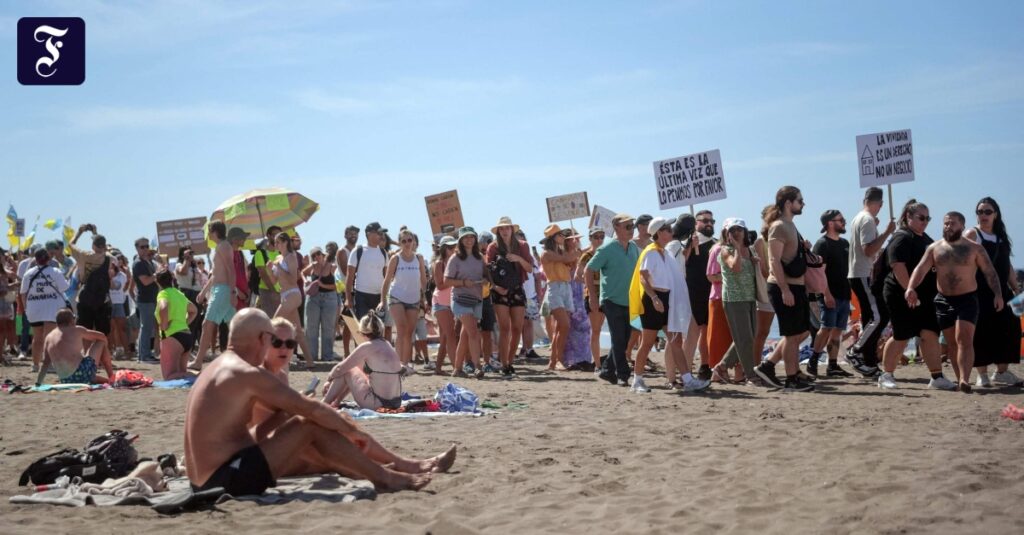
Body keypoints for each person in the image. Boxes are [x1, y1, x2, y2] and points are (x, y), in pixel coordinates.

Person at [184, 308, 451, 496]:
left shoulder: (217, 366)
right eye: (273, 341)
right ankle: (387, 477)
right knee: (309, 424)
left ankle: (386, 470)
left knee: (313, 421)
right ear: (263, 339)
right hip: (223, 478)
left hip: (207, 477)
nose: (280, 349)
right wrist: (351, 431)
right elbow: (308, 409)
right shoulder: (246, 372)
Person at [903, 211, 1004, 392]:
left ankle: (965, 379)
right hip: (943, 300)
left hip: (967, 299)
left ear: (962, 226)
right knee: (951, 343)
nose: (948, 227)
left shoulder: (974, 248)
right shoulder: (934, 248)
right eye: (946, 223)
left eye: (952, 224)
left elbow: (990, 272)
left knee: (964, 338)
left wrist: (998, 294)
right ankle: (960, 380)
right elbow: (921, 269)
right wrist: (911, 287)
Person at [876, 200, 957, 391]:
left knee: (930, 334)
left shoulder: (925, 239)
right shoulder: (902, 237)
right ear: (908, 217)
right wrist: (908, 291)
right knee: (901, 334)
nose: (925, 221)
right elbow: (898, 266)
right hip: (900, 293)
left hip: (926, 295)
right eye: (921, 217)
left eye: (928, 218)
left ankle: (936, 376)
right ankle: (886, 375)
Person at [628, 217, 708, 393]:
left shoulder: (665, 252)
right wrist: (654, 298)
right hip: (653, 300)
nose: (672, 232)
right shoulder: (651, 252)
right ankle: (637, 380)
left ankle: (687, 379)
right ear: (660, 233)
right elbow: (643, 277)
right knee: (648, 342)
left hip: (666, 299)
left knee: (675, 341)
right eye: (668, 229)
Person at [754, 186, 815, 392]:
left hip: (796, 285)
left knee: (802, 331)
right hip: (784, 286)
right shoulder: (779, 226)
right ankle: (791, 378)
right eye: (800, 200)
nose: (802, 203)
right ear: (789, 202)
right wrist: (784, 289)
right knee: (791, 335)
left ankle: (769, 365)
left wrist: (803, 248)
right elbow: (774, 260)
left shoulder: (790, 225)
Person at [963, 197, 1023, 386]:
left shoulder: (1001, 237)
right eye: (980, 212)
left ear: (995, 214)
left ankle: (1002, 371)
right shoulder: (973, 234)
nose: (983, 216)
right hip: (980, 291)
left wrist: (1016, 288)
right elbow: (961, 259)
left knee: (1010, 329)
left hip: (1003, 292)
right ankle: (982, 375)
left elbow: (1007, 266)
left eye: (987, 212)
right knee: (981, 331)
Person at [845, 187, 897, 376]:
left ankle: (868, 361)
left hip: (857, 273)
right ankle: (856, 350)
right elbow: (869, 250)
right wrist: (886, 232)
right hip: (861, 274)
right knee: (880, 316)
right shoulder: (866, 220)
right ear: (881, 204)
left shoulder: (860, 218)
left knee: (869, 317)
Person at [588, 214, 640, 386]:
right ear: (616, 228)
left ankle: (607, 370)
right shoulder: (607, 248)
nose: (631, 229)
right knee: (618, 338)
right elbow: (588, 270)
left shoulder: (633, 248)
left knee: (624, 339)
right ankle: (623, 375)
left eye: (632, 226)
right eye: (627, 226)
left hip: (629, 300)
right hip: (611, 300)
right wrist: (593, 297)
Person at [711, 219, 763, 385]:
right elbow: (736, 267)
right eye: (732, 229)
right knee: (745, 338)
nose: (736, 232)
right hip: (734, 299)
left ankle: (722, 367)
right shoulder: (725, 250)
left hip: (749, 297)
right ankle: (750, 375)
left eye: (739, 229)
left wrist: (754, 261)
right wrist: (737, 249)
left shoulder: (750, 249)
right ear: (726, 233)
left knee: (750, 336)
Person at [807, 210, 855, 378]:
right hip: (828, 294)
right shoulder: (822, 244)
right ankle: (813, 360)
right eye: (840, 220)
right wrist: (826, 295)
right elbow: (819, 273)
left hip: (844, 293)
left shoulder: (844, 243)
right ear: (830, 223)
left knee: (838, 331)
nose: (844, 222)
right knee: (826, 328)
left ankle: (832, 365)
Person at [322, 313, 405, 409]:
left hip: (377, 403)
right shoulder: (387, 344)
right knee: (354, 370)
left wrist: (329, 380)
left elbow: (340, 368)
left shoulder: (367, 346)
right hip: (395, 403)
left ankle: (324, 404)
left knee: (348, 370)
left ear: (362, 331)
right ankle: (336, 402)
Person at [191, 224, 244, 371]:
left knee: (207, 325)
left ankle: (198, 361)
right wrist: (204, 291)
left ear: (214, 232)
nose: (208, 234)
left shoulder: (223, 246)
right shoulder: (220, 247)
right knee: (234, 327)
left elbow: (230, 270)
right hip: (219, 289)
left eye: (209, 231)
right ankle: (245, 359)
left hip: (223, 290)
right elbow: (215, 274)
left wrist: (233, 292)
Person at [486, 217, 534, 378]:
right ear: (498, 231)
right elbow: (487, 271)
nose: (504, 231)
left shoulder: (522, 246)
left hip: (517, 288)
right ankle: (505, 363)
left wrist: (518, 258)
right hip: (499, 289)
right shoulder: (493, 247)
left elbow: (530, 268)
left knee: (517, 328)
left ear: (512, 229)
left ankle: (510, 361)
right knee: (505, 327)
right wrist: (495, 287)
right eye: (501, 228)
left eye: (507, 228)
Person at [379, 229, 427, 370]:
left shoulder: (419, 258)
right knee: (401, 328)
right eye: (404, 241)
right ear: (399, 243)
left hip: (414, 299)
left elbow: (423, 280)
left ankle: (405, 364)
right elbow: (387, 281)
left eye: (409, 240)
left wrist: (425, 298)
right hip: (396, 297)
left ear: (414, 242)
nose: (407, 243)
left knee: (409, 332)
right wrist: (382, 300)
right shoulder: (396, 258)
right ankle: (397, 364)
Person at [266, 232, 314, 369]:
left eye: (278, 242)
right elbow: (275, 281)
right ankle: (310, 362)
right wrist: (270, 270)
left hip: (292, 294)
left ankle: (266, 358)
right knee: (298, 332)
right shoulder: (278, 258)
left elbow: (293, 279)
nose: (275, 245)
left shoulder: (291, 257)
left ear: (285, 242)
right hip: (285, 295)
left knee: (272, 325)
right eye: (275, 243)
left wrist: (279, 267)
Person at [445, 227, 488, 379]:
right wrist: (463, 282)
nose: (469, 240)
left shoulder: (480, 257)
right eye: (465, 237)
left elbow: (486, 276)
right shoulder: (455, 258)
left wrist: (484, 280)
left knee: (466, 335)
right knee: (473, 332)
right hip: (460, 299)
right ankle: (477, 366)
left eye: (471, 237)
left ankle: (457, 368)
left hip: (476, 299)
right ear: (460, 240)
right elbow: (446, 281)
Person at [19, 248, 70, 373]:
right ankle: (48, 365)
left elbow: (23, 293)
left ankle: (35, 365)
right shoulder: (55, 272)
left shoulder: (28, 273)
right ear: (49, 259)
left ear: (35, 259)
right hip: (51, 308)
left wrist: (26, 308)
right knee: (49, 337)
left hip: (34, 308)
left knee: (37, 338)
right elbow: (64, 288)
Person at [36, 308, 115, 385]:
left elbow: (45, 363)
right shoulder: (76, 330)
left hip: (65, 380)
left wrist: (38, 383)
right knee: (100, 342)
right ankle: (112, 376)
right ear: (71, 320)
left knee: (84, 370)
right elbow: (102, 336)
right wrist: (105, 348)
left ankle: (108, 381)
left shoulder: (49, 337)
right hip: (82, 373)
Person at [540, 224, 581, 371]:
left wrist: (575, 252)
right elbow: (566, 258)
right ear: (553, 238)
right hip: (555, 287)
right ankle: (557, 360)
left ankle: (554, 361)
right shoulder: (546, 253)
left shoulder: (560, 252)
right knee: (564, 325)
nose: (563, 237)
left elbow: (572, 262)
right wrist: (578, 251)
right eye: (560, 235)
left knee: (561, 328)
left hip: (565, 287)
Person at [684, 210, 716, 380]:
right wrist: (690, 246)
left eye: (711, 221)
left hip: (711, 293)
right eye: (704, 221)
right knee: (692, 333)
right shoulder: (687, 242)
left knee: (708, 331)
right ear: (696, 223)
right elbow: (681, 264)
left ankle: (705, 364)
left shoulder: (717, 245)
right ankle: (686, 369)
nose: (709, 223)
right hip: (692, 293)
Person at [69, 224, 115, 336]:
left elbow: (71, 244)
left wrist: (79, 232)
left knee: (84, 331)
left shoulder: (82, 255)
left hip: (85, 297)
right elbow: (106, 249)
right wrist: (95, 233)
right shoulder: (109, 258)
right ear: (104, 246)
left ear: (93, 245)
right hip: (102, 299)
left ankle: (86, 353)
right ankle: (100, 352)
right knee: (102, 333)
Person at [155, 269, 198, 380]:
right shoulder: (179, 294)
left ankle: (200, 375)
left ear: (158, 282)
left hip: (172, 336)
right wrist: (185, 323)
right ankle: (199, 375)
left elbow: (163, 307)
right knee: (181, 374)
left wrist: (164, 326)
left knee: (169, 377)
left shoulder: (163, 293)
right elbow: (194, 310)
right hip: (187, 336)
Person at [302, 246, 339, 362]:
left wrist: (322, 285)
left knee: (328, 328)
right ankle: (311, 356)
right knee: (311, 327)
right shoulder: (312, 266)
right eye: (314, 255)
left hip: (329, 298)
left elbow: (337, 286)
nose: (316, 257)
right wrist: (306, 281)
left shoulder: (333, 267)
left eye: (318, 254)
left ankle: (327, 356)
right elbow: (302, 273)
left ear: (323, 254)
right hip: (313, 298)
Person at [346, 222, 389, 321]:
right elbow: (350, 276)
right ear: (369, 234)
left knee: (378, 328)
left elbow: (386, 277)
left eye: (382, 233)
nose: (381, 236)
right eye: (379, 233)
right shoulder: (358, 250)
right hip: (362, 296)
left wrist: (385, 298)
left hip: (379, 297)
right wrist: (348, 298)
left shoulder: (383, 253)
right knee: (364, 329)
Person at [577, 227, 606, 371]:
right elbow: (578, 275)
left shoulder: (607, 254)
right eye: (596, 237)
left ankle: (602, 362)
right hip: (593, 294)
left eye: (602, 236)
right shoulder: (587, 256)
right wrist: (591, 282)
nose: (599, 240)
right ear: (590, 239)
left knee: (605, 328)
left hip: (607, 294)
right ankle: (597, 364)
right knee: (596, 330)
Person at [132, 237, 159, 363]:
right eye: (142, 247)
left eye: (147, 246)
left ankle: (145, 354)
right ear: (137, 248)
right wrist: (157, 274)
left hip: (150, 299)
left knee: (148, 328)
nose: (146, 249)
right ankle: (144, 355)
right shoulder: (138, 263)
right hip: (145, 300)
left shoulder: (146, 262)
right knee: (146, 327)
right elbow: (146, 281)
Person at [336, 226, 360, 358]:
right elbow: (347, 272)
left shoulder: (358, 250)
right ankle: (346, 352)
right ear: (345, 235)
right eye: (351, 233)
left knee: (359, 323)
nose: (353, 236)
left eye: (355, 234)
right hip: (348, 290)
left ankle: (358, 351)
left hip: (359, 289)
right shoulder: (342, 251)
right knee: (349, 323)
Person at [175, 246, 205, 348]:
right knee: (187, 322)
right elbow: (183, 272)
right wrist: (186, 259)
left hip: (196, 294)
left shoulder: (195, 267)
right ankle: (184, 347)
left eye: (191, 253)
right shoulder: (179, 264)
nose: (191, 255)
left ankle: (190, 348)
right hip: (186, 293)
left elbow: (199, 281)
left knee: (195, 324)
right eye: (188, 253)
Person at [254, 226, 283, 317]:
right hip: (267, 291)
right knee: (271, 321)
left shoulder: (280, 253)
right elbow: (263, 275)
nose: (277, 238)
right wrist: (274, 291)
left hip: (280, 292)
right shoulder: (260, 253)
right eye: (275, 235)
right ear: (268, 236)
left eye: (279, 235)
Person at [108, 254, 130, 359]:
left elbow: (121, 287)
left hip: (119, 303)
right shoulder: (105, 274)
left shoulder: (122, 275)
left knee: (122, 328)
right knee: (110, 329)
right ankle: (111, 352)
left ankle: (127, 352)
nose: (112, 264)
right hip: (108, 303)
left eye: (113, 263)